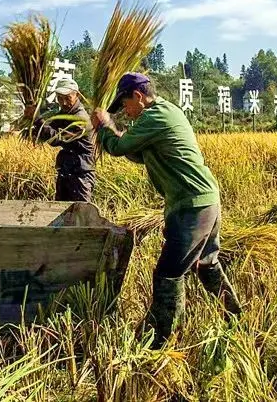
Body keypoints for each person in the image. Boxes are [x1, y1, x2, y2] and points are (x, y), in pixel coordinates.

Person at [90, 72, 242, 348]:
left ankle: (162, 339)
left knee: (168, 274)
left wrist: (104, 126)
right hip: (203, 201)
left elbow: (119, 146)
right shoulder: (165, 112)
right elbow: (135, 152)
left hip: (192, 205)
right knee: (205, 263)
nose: (124, 111)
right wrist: (116, 133)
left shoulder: (155, 116)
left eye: (124, 104)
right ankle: (234, 316)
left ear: (137, 96)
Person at [24, 76, 96, 202]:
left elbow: (58, 138)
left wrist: (37, 119)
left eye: (68, 98)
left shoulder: (80, 118)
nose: (63, 103)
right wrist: (31, 125)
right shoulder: (64, 113)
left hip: (81, 175)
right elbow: (48, 128)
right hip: (66, 173)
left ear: (77, 95)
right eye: (60, 98)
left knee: (81, 215)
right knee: (61, 213)